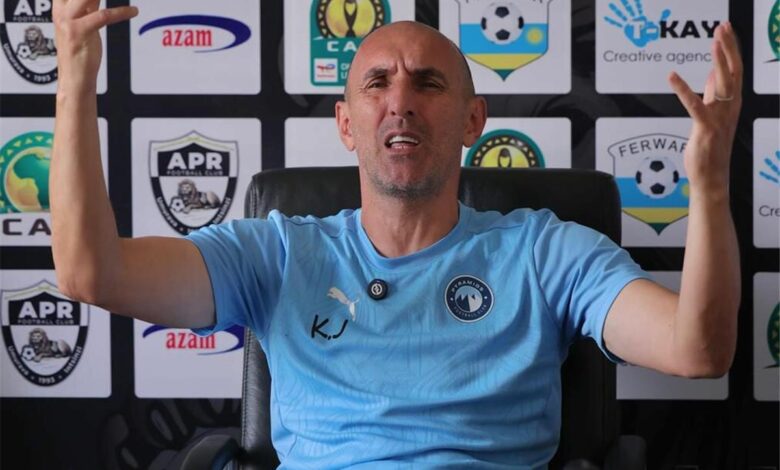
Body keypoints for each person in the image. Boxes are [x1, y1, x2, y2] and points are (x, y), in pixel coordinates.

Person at [50, 1, 742, 468]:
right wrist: (75, 78)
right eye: (377, 83)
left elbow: (699, 349)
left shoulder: (544, 253)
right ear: (346, 124)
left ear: (473, 121)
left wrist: (709, 185)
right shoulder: (276, 252)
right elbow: (91, 274)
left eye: (428, 84)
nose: (401, 101)